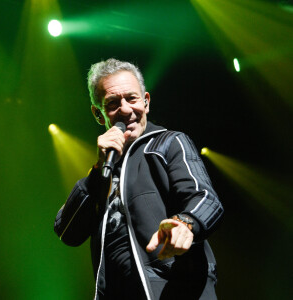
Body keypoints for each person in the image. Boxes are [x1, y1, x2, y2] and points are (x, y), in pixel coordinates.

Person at [54, 58, 224, 300]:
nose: (125, 110)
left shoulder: (168, 143)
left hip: (172, 288)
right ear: (98, 114)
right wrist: (98, 171)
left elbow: (206, 198)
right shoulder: (103, 172)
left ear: (146, 102)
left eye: (131, 99)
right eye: (112, 103)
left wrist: (185, 224)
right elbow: (66, 231)